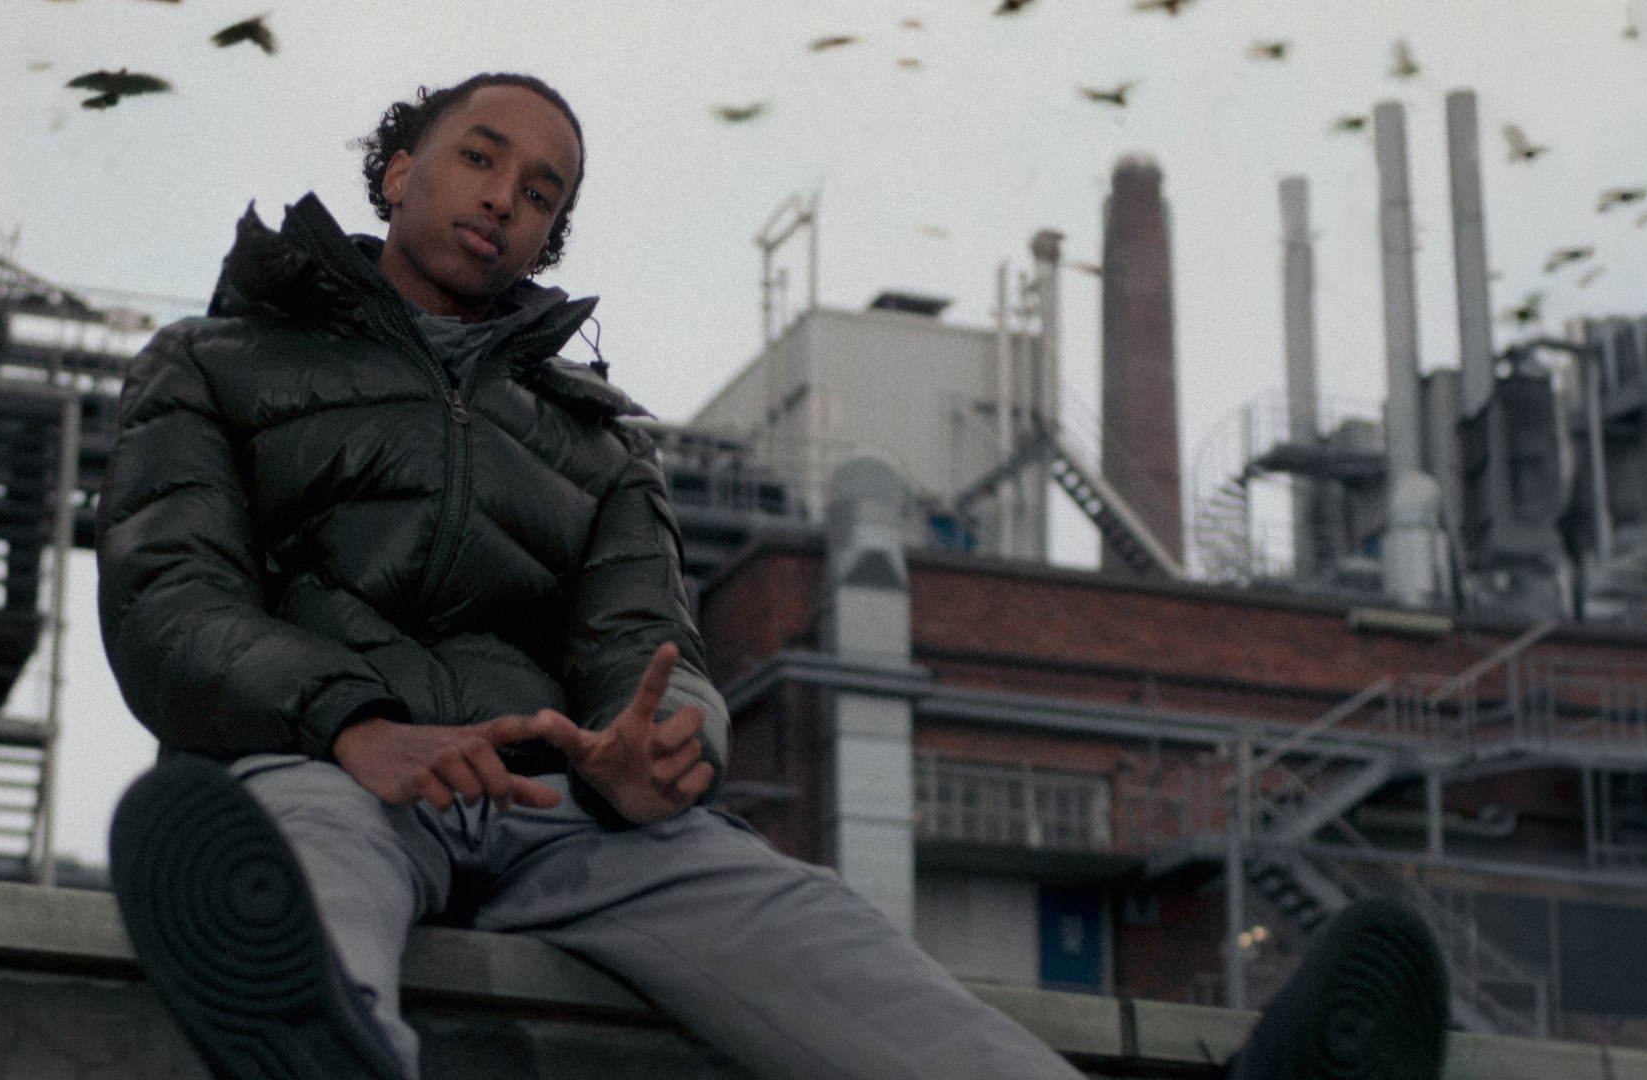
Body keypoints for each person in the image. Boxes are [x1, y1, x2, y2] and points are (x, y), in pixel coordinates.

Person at [98, 72, 1447, 1080]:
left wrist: (666, 751)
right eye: (480, 157)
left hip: (556, 811)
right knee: (295, 862)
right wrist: (355, 725)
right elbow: (171, 598)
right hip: (334, 770)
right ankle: (328, 1056)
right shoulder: (214, 365)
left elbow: (652, 649)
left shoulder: (597, 444)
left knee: (804, 918)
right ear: (398, 169)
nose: (506, 196)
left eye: (544, 191)